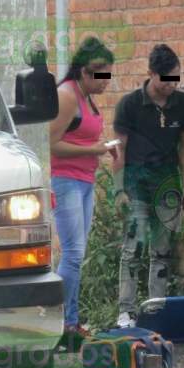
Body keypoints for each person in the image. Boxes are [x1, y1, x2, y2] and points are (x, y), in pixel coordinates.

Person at [112, 44, 184, 328]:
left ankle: (156, 308)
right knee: (133, 248)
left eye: (176, 79)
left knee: (162, 251)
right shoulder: (130, 105)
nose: (172, 85)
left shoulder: (182, 104)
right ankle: (126, 312)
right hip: (136, 184)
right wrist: (118, 189)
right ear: (151, 74)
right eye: (166, 79)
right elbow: (118, 149)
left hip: (167, 185)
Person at [49, 37, 116, 337]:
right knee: (73, 253)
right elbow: (51, 144)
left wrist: (99, 149)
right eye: (101, 76)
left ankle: (71, 320)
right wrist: (93, 150)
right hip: (65, 180)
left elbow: (80, 137)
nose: (105, 83)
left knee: (77, 254)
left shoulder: (87, 97)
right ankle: (62, 321)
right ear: (85, 72)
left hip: (85, 180)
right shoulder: (67, 95)